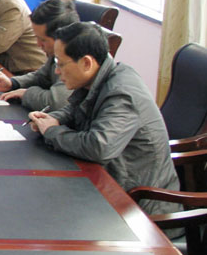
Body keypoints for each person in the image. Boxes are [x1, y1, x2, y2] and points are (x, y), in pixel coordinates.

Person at [29, 22, 180, 216]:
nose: (57, 71)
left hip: (140, 208)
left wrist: (52, 131)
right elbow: (75, 110)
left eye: (61, 64)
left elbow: (98, 147)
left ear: (86, 63)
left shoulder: (122, 93)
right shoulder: (99, 76)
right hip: (111, 184)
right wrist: (51, 119)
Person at [0, 0, 80, 111]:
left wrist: (26, 94)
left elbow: (56, 102)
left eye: (43, 40)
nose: (38, 44)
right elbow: (41, 76)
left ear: (61, 38)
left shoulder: (75, 60)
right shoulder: (57, 53)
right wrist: (13, 83)